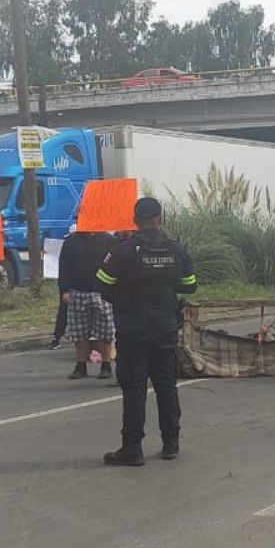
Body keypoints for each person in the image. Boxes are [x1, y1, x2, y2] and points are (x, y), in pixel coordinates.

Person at [95, 198, 197, 466]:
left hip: (132, 329)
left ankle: (132, 450)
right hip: (164, 327)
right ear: (160, 219)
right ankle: (171, 444)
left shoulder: (123, 250)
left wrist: (123, 297)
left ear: (135, 219)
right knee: (166, 386)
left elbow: (103, 285)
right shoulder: (175, 249)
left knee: (134, 389)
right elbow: (190, 285)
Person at [59, 226, 117, 380]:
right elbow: (63, 267)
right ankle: (80, 365)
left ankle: (105, 365)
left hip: (102, 293)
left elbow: (115, 266)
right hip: (78, 292)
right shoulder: (71, 242)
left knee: (105, 332)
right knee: (79, 333)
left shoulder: (109, 240)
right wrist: (64, 290)